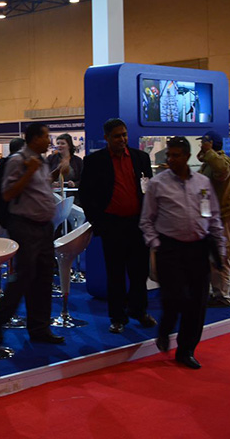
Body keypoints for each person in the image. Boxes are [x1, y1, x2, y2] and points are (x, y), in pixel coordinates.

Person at [140, 136, 226, 369]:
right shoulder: (158, 184)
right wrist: (156, 244)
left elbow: (213, 217)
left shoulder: (202, 183)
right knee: (175, 298)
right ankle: (165, 329)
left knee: (197, 302)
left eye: (176, 155)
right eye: (169, 155)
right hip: (170, 248)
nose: (171, 159)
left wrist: (220, 247)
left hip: (198, 248)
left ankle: (186, 350)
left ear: (187, 156)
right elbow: (146, 220)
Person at [0, 122, 67, 345]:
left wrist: (55, 173)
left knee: (44, 278)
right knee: (25, 276)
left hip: (44, 227)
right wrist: (29, 172)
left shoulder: (40, 161)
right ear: (34, 139)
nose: (49, 141)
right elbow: (8, 193)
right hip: (25, 226)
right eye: (45, 136)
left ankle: (39, 328)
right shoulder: (18, 161)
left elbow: (39, 188)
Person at [79, 118, 156, 334]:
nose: (122, 139)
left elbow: (148, 190)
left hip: (137, 224)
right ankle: (118, 317)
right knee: (115, 274)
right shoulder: (95, 161)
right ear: (106, 138)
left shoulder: (141, 158)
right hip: (112, 226)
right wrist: (98, 223)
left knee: (139, 273)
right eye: (117, 136)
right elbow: (86, 195)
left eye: (124, 135)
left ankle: (139, 311)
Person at [196, 130, 230, 307]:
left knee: (222, 255)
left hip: (224, 216)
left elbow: (222, 170)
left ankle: (222, 295)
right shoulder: (208, 163)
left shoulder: (222, 160)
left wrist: (208, 151)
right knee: (220, 254)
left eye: (203, 142)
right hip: (214, 217)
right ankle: (225, 288)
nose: (201, 145)